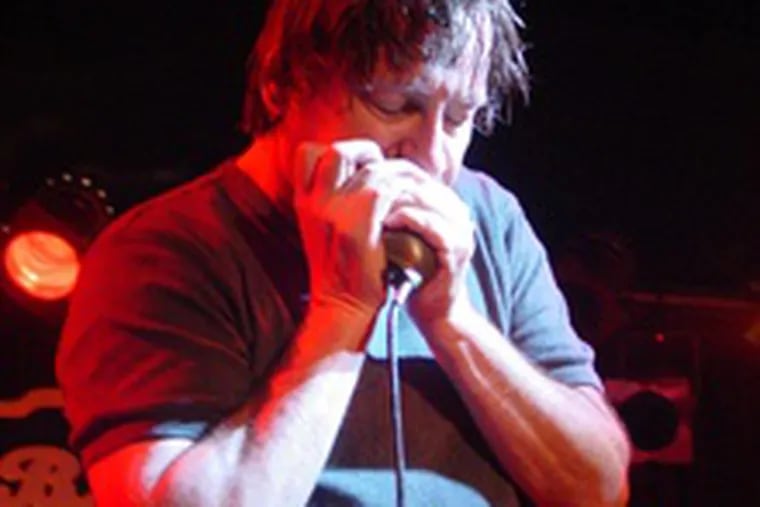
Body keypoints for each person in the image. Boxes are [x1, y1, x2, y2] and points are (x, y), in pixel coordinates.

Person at [56, 0, 630, 505]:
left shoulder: (488, 217)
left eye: (459, 118)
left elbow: (597, 488)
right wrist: (340, 311)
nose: (431, 157)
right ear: (284, 86)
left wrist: (454, 321)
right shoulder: (159, 253)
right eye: (394, 105)